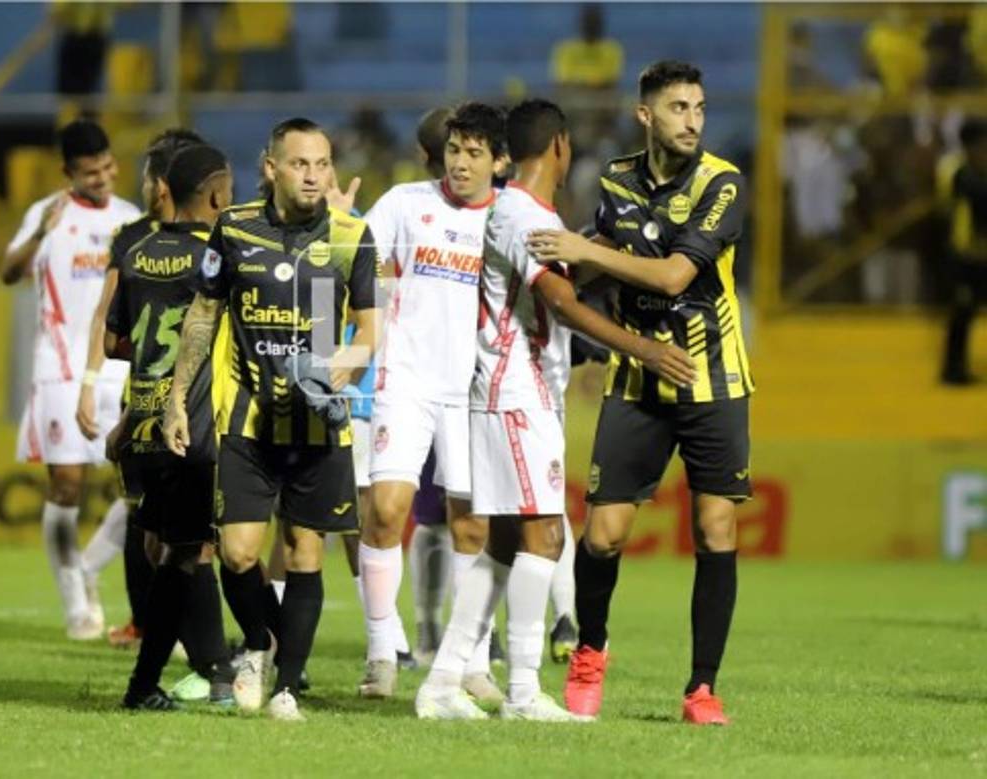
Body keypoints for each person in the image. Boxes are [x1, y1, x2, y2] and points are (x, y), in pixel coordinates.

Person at [415, 98, 695, 722]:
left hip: (516, 390)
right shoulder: (522, 214)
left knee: (504, 545)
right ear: (561, 146)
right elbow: (563, 303)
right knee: (546, 536)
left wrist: (599, 252)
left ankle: (442, 682)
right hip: (516, 392)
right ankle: (522, 691)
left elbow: (558, 286)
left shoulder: (525, 213)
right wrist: (644, 349)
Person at [527, 60, 753, 726]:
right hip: (636, 378)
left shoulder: (722, 182)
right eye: (679, 108)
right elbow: (601, 260)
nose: (693, 121)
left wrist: (583, 250)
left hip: (713, 378)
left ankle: (702, 688)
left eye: (700, 108)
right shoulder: (616, 180)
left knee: (715, 528)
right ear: (646, 115)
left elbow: (675, 276)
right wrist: (559, 276)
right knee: (602, 535)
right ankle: (589, 652)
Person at [163, 117, 379, 721]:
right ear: (271, 167)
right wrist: (177, 398)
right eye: (300, 164)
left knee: (305, 552)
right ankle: (259, 644)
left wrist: (344, 366)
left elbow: (370, 329)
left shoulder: (352, 236)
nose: (313, 176)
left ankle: (286, 688)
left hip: (318, 422)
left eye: (322, 164)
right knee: (237, 553)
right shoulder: (234, 228)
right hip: (248, 420)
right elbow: (203, 315)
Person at [355, 102, 507, 704]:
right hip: (407, 382)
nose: (461, 163)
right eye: (454, 151)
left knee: (472, 524)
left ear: (499, 161)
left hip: (475, 391)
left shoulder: (509, 219)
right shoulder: (403, 203)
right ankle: (380, 651)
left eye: (474, 153)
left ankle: (472, 662)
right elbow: (351, 263)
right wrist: (333, 352)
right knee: (387, 510)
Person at [109, 142, 237, 710]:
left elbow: (115, 341)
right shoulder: (215, 256)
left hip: (141, 418)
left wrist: (126, 416)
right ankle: (218, 673)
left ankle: (179, 676)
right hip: (192, 421)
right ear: (216, 194)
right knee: (194, 551)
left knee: (167, 546)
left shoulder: (136, 252)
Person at [1, 119, 140, 640]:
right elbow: (8, 272)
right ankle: (76, 601)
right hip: (60, 370)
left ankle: (87, 566)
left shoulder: (131, 218)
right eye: (90, 172)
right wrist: (40, 233)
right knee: (66, 485)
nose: (102, 178)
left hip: (117, 369)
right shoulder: (48, 215)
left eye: (107, 167)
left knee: (142, 487)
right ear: (68, 173)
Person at [76, 128, 206, 648]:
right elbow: (108, 320)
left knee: (194, 531)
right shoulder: (132, 237)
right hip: (147, 392)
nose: (147, 186)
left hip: (195, 399)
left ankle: (212, 646)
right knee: (145, 517)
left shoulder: (211, 239)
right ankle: (151, 625)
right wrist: (92, 381)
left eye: (152, 177)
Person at [940, 118, 987, 385]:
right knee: (962, 311)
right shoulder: (961, 174)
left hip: (979, 257)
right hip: (964, 257)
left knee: (965, 312)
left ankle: (956, 367)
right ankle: (953, 369)